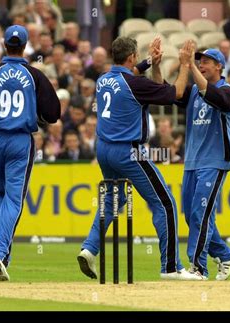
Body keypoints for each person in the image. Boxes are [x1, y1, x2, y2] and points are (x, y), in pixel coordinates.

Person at [77, 37, 203, 281]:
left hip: (103, 149)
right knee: (165, 202)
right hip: (128, 151)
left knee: (113, 200)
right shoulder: (135, 84)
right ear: (132, 57)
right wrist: (185, 64)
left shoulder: (103, 79)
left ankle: (89, 249)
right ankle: (171, 267)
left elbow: (130, 73)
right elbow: (176, 92)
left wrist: (150, 62)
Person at [0, 25, 60, 281]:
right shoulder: (34, 75)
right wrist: (32, 111)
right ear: (25, 46)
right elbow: (53, 113)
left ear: (5, 46)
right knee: (14, 198)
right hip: (20, 140)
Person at [174, 47, 230, 280]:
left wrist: (190, 65)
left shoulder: (227, 90)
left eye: (207, 62)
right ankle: (226, 254)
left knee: (200, 214)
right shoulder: (193, 91)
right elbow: (170, 93)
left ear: (219, 66)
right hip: (192, 161)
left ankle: (198, 267)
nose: (202, 64)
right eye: (200, 61)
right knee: (191, 216)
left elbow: (215, 98)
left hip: (214, 161)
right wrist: (159, 66)